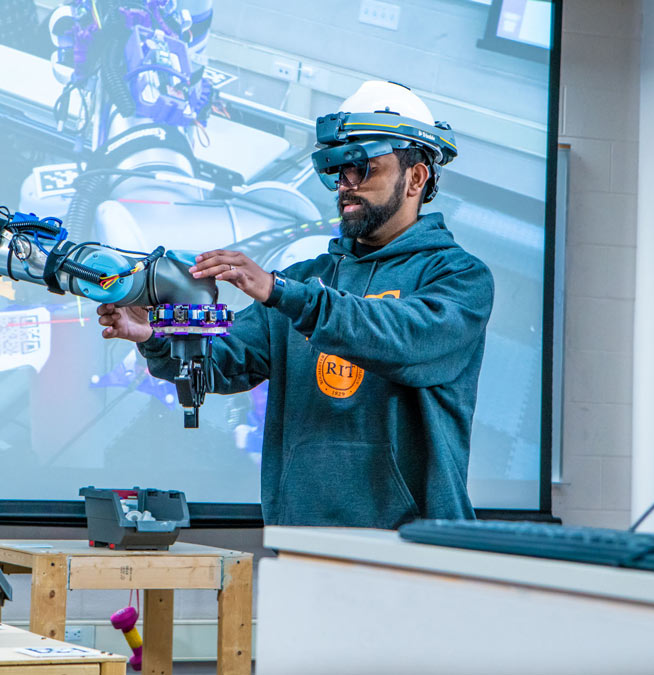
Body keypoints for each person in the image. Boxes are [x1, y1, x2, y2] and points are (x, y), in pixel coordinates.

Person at [96, 81, 494, 528]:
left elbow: (402, 337)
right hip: (302, 538)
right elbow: (223, 362)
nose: (346, 185)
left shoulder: (460, 277)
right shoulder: (306, 279)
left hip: (415, 545)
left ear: (416, 178)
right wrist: (155, 335)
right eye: (338, 170)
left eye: (363, 167)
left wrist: (282, 291)